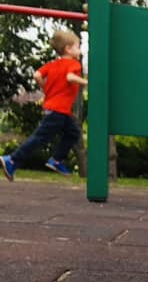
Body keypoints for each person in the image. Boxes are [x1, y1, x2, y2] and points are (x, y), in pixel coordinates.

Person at [1, 29, 88, 181]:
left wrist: (45, 87)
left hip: (58, 110)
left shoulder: (53, 64)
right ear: (68, 49)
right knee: (40, 138)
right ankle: (12, 159)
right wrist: (86, 82)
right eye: (78, 47)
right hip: (58, 111)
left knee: (73, 133)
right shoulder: (73, 64)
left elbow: (37, 75)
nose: (80, 51)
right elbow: (69, 77)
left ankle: (56, 160)